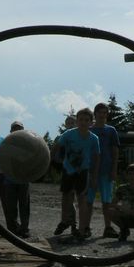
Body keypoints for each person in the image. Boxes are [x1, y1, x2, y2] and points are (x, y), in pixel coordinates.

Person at [51, 108, 100, 242]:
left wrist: (94, 176)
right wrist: (50, 160)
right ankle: (66, 221)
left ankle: (82, 229)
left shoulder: (94, 138)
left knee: (82, 199)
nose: (83, 122)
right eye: (81, 120)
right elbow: (56, 147)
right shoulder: (68, 134)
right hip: (68, 170)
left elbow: (96, 158)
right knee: (66, 197)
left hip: (83, 172)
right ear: (77, 121)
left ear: (91, 122)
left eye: (86, 120)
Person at [85, 102, 120, 239]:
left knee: (107, 201)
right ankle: (86, 227)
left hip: (106, 169)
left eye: (105, 112)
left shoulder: (111, 131)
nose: (102, 115)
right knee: (88, 200)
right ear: (95, 113)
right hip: (90, 170)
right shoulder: (89, 130)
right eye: (100, 112)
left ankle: (108, 227)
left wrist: (114, 169)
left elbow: (115, 151)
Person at [2, 121, 31, 238]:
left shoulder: (28, 143)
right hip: (9, 180)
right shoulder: (6, 143)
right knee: (11, 207)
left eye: (19, 128)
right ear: (11, 131)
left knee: (24, 206)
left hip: (24, 180)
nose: (17, 130)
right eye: (15, 128)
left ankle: (24, 229)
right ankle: (12, 230)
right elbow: (2, 159)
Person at [50, 114, 77, 233]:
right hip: (65, 170)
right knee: (67, 197)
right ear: (65, 125)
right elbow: (55, 154)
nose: (70, 125)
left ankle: (71, 223)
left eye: (72, 123)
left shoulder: (79, 136)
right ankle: (69, 222)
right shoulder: (61, 137)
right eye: (68, 123)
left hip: (77, 171)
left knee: (71, 197)